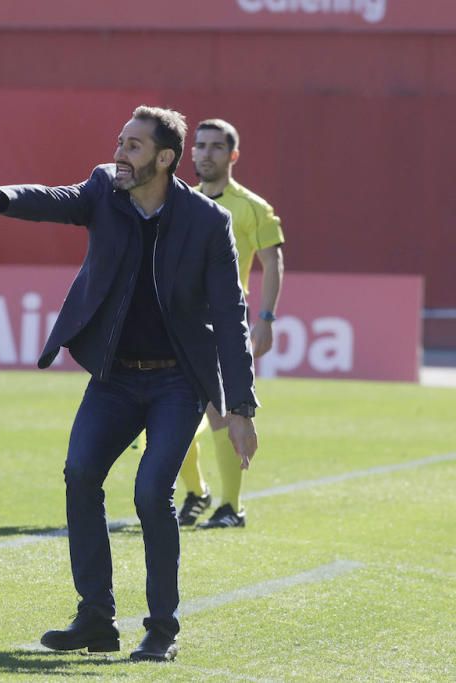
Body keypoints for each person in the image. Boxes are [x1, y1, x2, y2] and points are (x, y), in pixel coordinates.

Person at [0, 106, 259, 663]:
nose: (119, 154)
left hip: (177, 382)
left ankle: (161, 630)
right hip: (114, 378)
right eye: (120, 142)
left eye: (133, 146)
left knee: (152, 494)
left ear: (164, 158)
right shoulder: (103, 190)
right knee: (80, 474)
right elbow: (50, 200)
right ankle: (95, 619)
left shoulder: (208, 221)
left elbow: (230, 315)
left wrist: (241, 408)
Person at [176, 119, 285, 530]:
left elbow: (272, 260)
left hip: (223, 324)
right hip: (184, 322)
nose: (205, 153)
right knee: (168, 413)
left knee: (220, 415)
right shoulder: (183, 201)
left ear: (232, 155)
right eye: (199, 146)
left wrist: (266, 317)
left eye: (216, 147)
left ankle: (232, 507)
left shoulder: (251, 207)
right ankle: (196, 493)